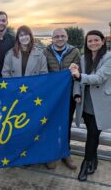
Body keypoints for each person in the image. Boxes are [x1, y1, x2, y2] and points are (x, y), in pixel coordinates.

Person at [69, 30, 111, 181]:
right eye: (90, 41)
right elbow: (76, 81)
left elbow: (100, 78)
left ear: (103, 41)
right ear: (86, 43)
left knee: (93, 134)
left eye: (96, 40)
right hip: (86, 102)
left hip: (102, 103)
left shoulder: (110, 57)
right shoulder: (83, 58)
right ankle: (94, 160)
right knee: (92, 133)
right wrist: (76, 94)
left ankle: (85, 164)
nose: (93, 43)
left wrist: (80, 76)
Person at [42, 28, 81, 170]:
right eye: (56, 36)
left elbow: (78, 74)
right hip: (51, 97)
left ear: (67, 37)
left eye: (62, 36)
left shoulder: (75, 52)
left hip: (68, 96)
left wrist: (77, 93)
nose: (59, 39)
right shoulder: (45, 52)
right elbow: (42, 74)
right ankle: (50, 154)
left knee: (66, 125)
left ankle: (65, 153)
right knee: (49, 125)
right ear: (52, 38)